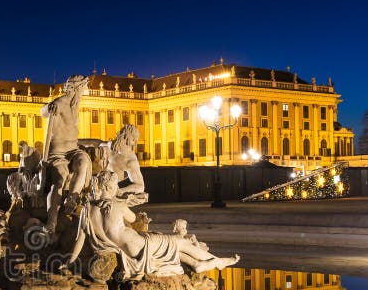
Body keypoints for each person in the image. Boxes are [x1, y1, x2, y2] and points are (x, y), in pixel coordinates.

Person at [94, 172, 239, 279]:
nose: (117, 189)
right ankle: (218, 261)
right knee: (179, 241)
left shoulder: (89, 210)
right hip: (141, 245)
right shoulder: (117, 204)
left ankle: (196, 263)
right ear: (108, 186)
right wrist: (127, 200)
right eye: (115, 186)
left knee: (173, 248)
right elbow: (133, 219)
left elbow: (81, 237)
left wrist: (71, 258)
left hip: (134, 246)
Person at [40, 74, 92, 234]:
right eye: (83, 88)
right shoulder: (61, 102)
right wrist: (48, 108)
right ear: (77, 88)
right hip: (58, 153)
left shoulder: (75, 105)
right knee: (59, 181)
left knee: (83, 161)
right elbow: (43, 111)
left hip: (73, 150)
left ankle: (73, 199)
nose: (84, 92)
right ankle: (52, 220)